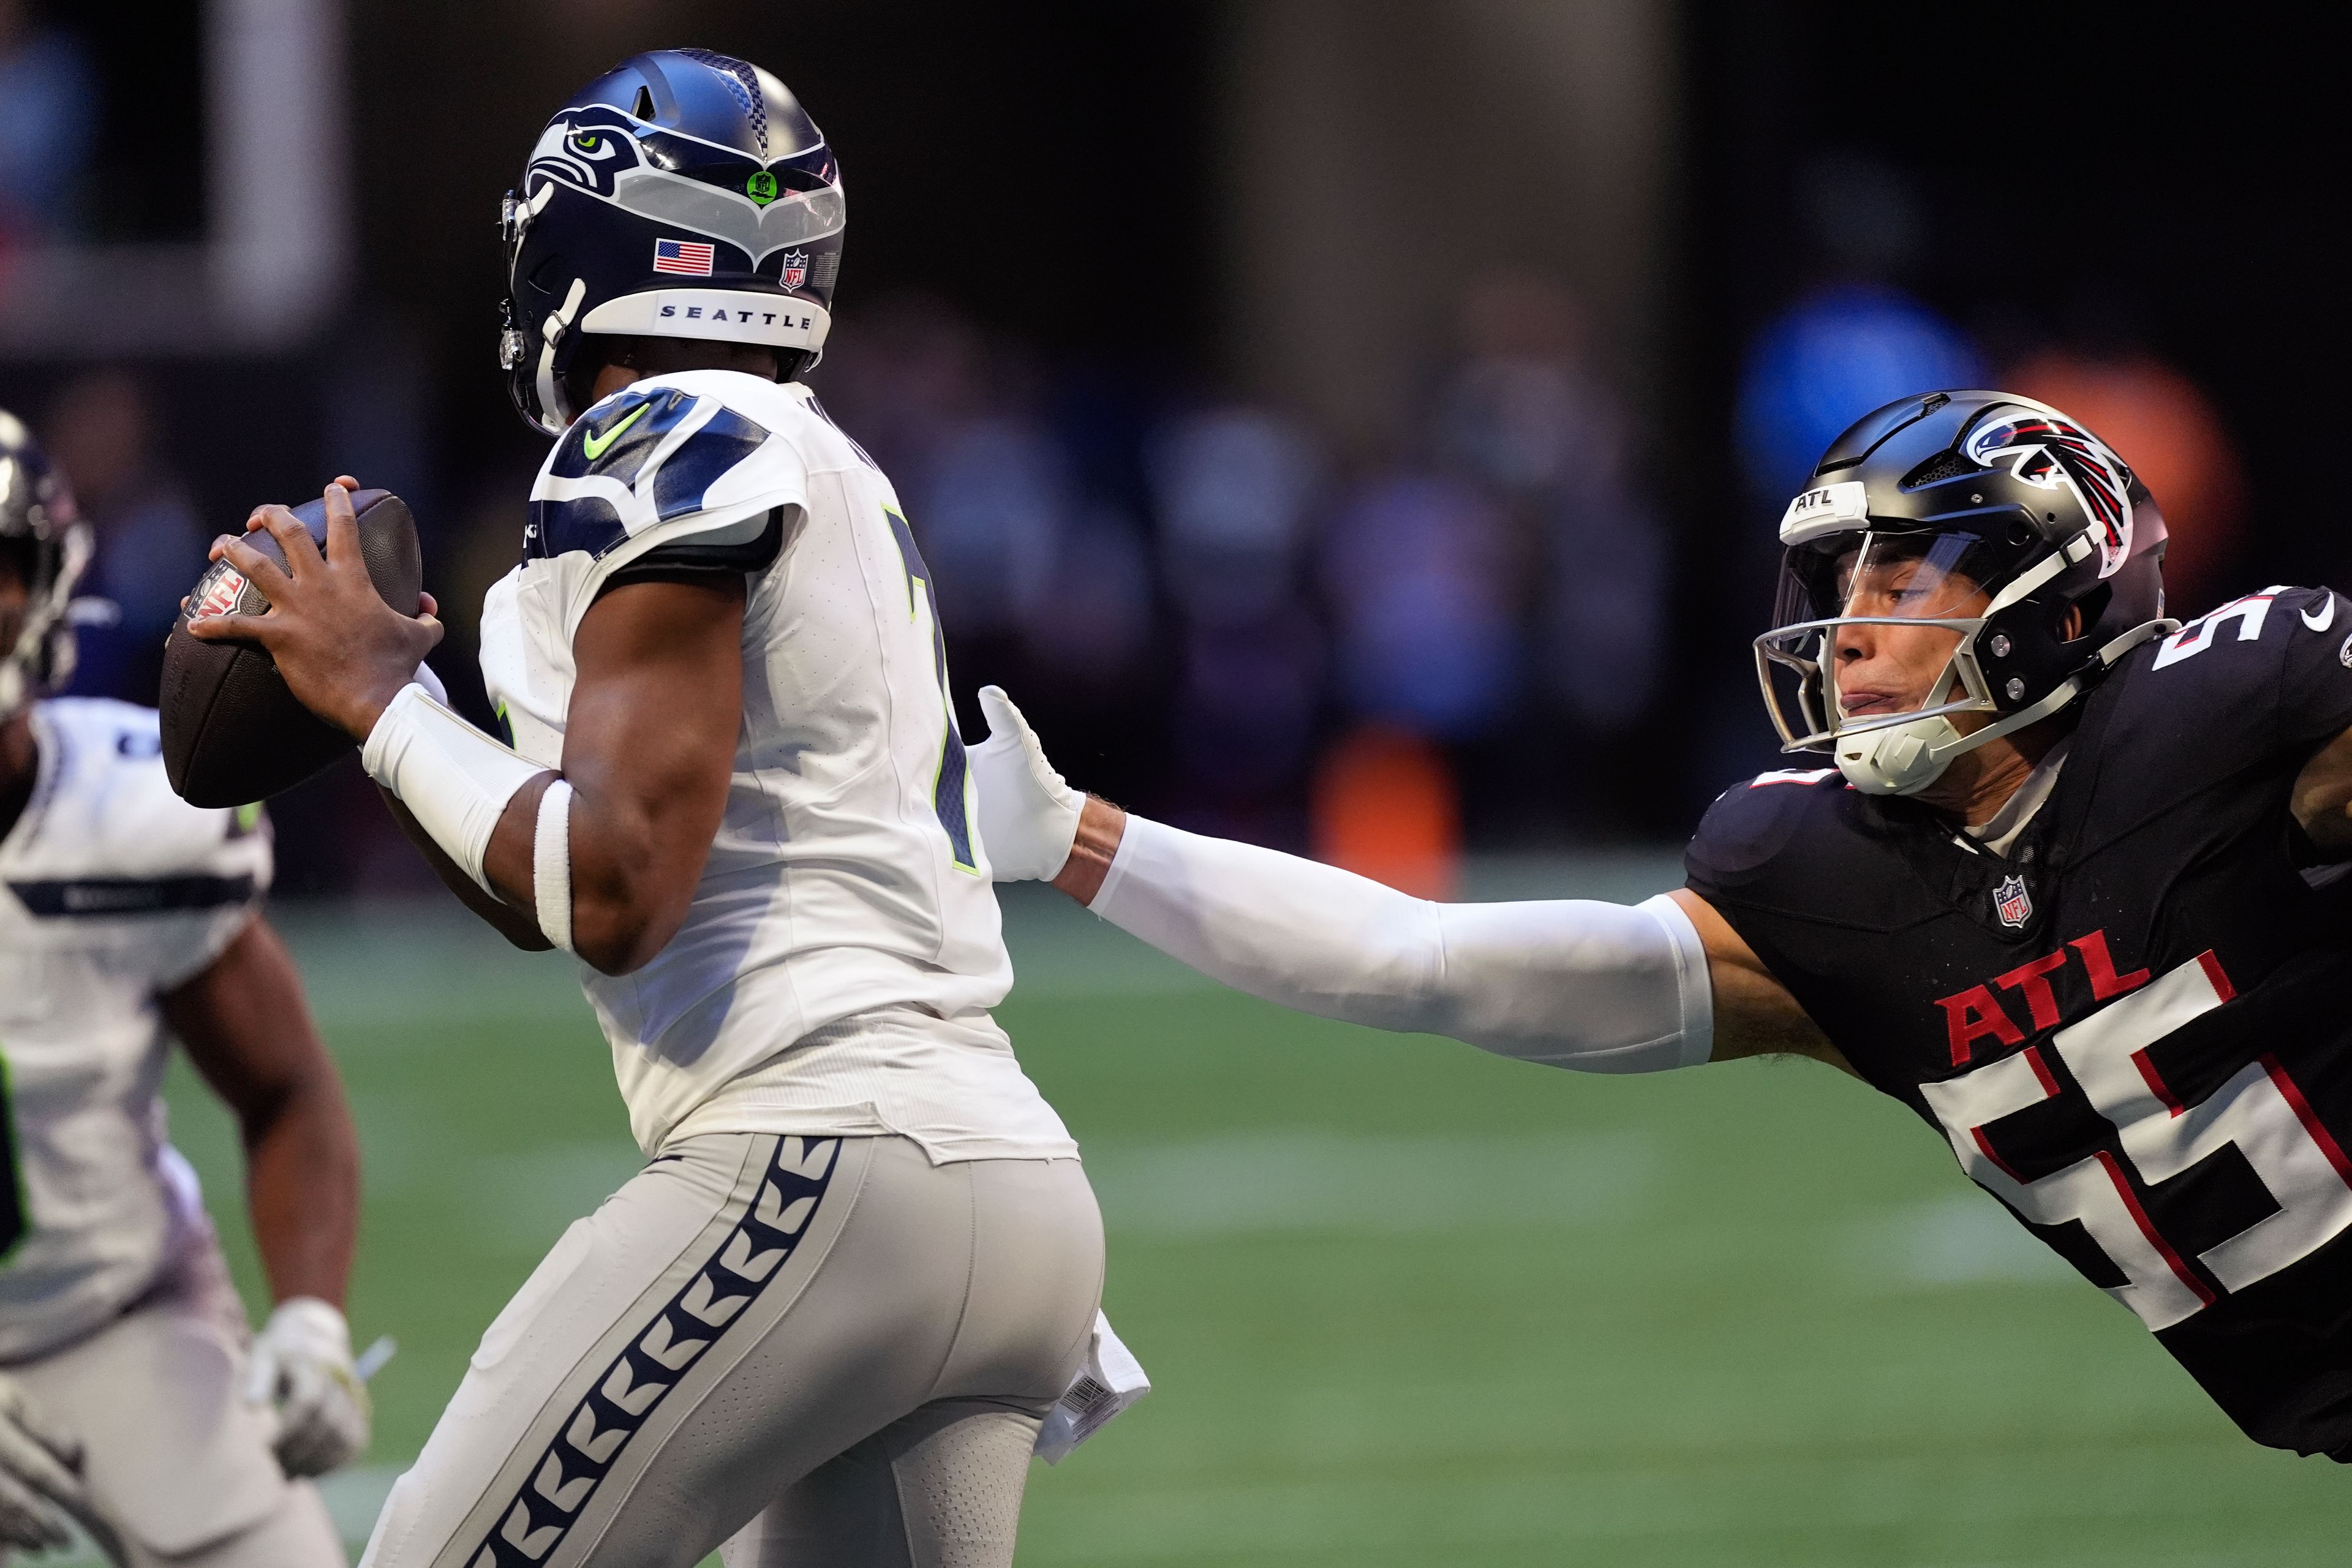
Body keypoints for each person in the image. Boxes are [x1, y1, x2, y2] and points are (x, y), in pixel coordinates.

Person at [973, 387, 2352, 1463]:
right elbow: (1420, 961)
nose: (1848, 631)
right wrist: (1085, 840)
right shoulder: (1829, 884)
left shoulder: (2234, 712)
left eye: (1897, 579)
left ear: (2050, 583)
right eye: (1838, 588)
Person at [185, 51, 1110, 1567]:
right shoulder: (820, 458)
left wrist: (384, 702)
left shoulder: (654, 443)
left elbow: (611, 888)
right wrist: (391, 731)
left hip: (820, 1166)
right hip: (1004, 1186)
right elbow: (562, 884)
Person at [0, 408, 365, 1565]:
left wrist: (309, 1318)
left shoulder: (127, 823)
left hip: (111, 1320)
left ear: (48, 585)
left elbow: (285, 1094)